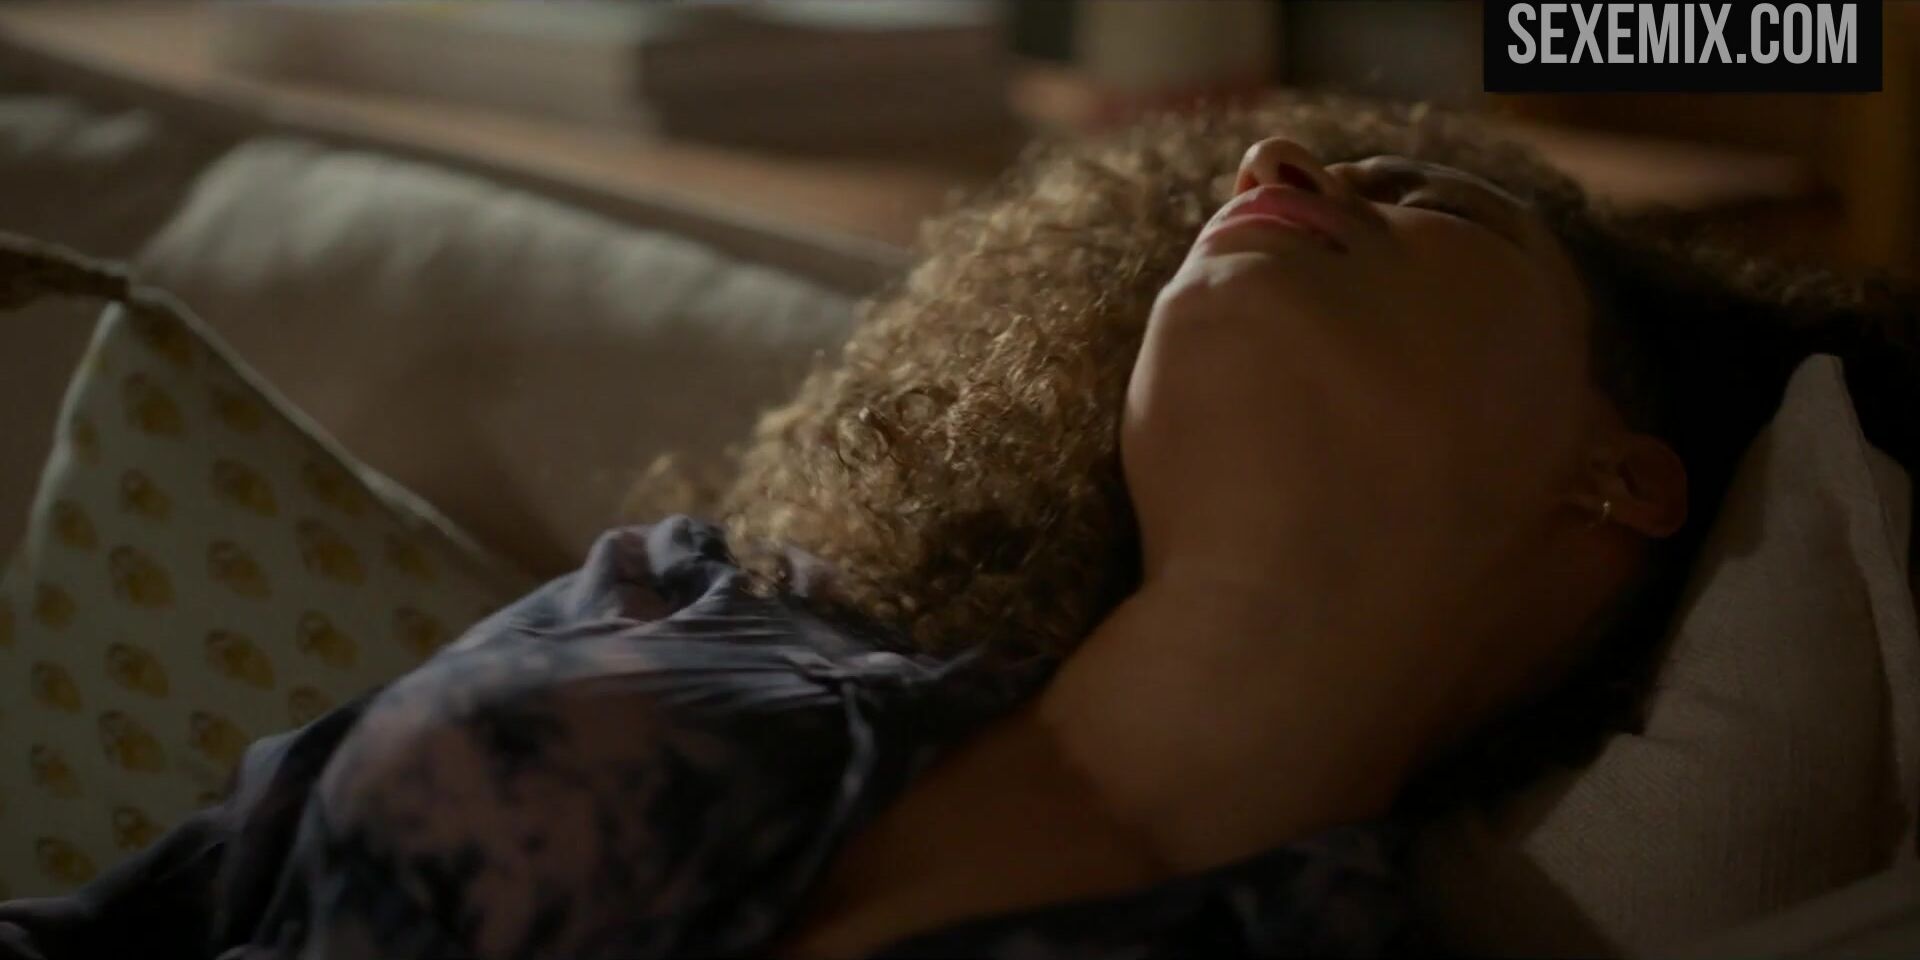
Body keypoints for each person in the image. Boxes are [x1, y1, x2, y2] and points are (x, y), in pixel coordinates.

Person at [1, 94, 1912, 960]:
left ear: (1620, 477)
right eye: (1291, 162)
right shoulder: (699, 605)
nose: (1277, 161)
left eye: (1430, 201)